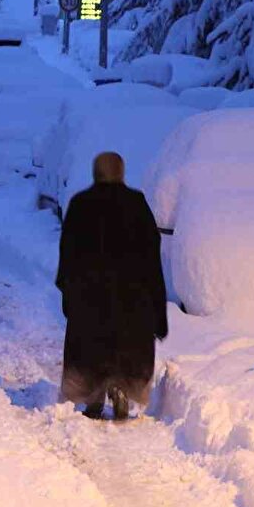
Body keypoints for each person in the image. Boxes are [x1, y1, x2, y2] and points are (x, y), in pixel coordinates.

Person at [55, 152, 168, 420]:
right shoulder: (137, 204)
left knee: (90, 346)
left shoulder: (81, 204)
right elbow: (152, 253)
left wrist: (68, 291)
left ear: (96, 173)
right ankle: (121, 386)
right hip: (132, 296)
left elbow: (68, 252)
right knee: (126, 344)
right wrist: (157, 308)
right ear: (121, 173)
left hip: (89, 295)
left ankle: (93, 396)